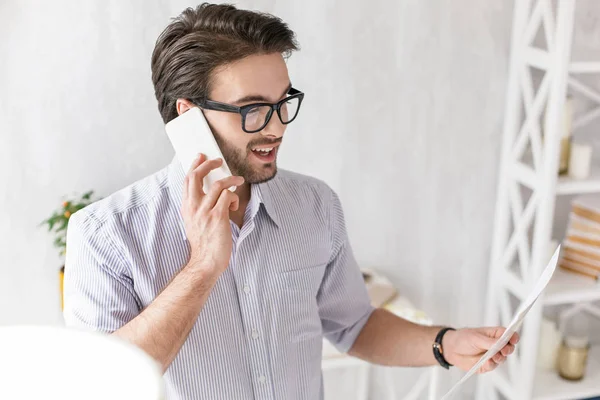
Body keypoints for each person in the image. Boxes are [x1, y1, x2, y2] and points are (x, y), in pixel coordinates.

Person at [63, 3, 518, 399]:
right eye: (253, 109)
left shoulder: (315, 205)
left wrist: (444, 344)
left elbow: (354, 325)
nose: (277, 127)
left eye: (284, 102)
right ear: (189, 117)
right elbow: (105, 383)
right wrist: (203, 268)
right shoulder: (106, 235)